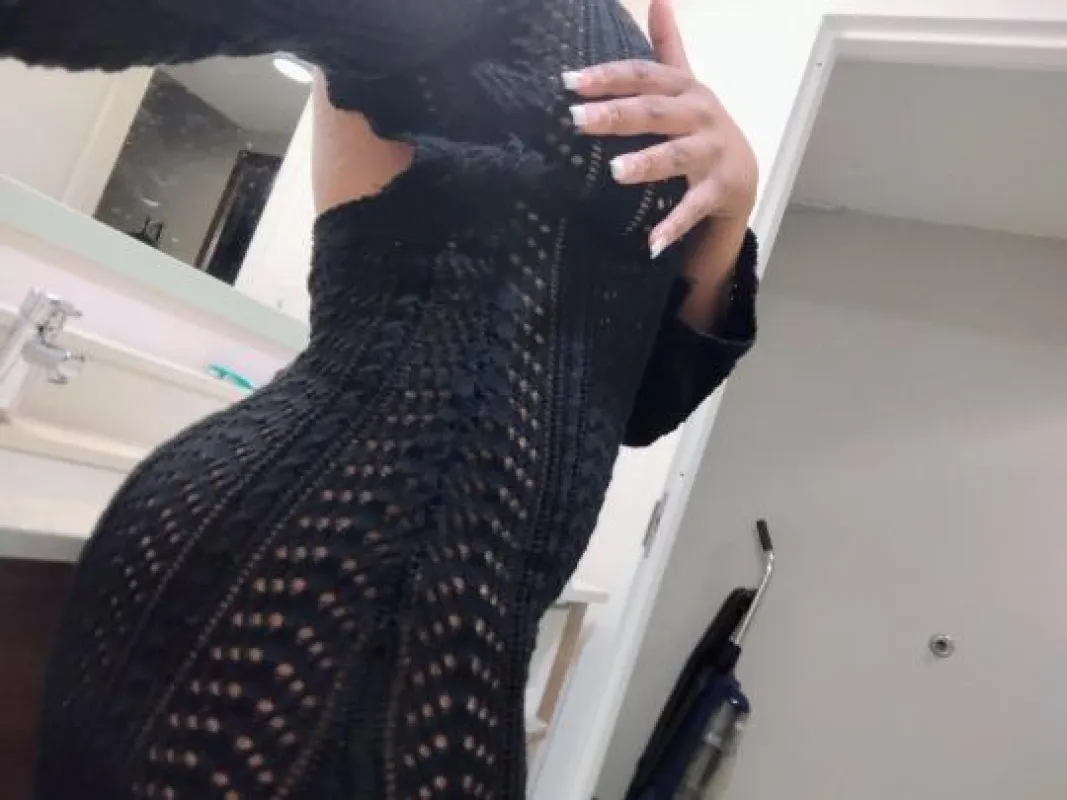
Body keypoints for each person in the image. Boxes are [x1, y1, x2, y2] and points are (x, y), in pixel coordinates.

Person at [3, 0, 759, 796]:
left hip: (466, 627)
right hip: (316, 572)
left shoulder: (634, 40)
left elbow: (635, 405)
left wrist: (729, 207)